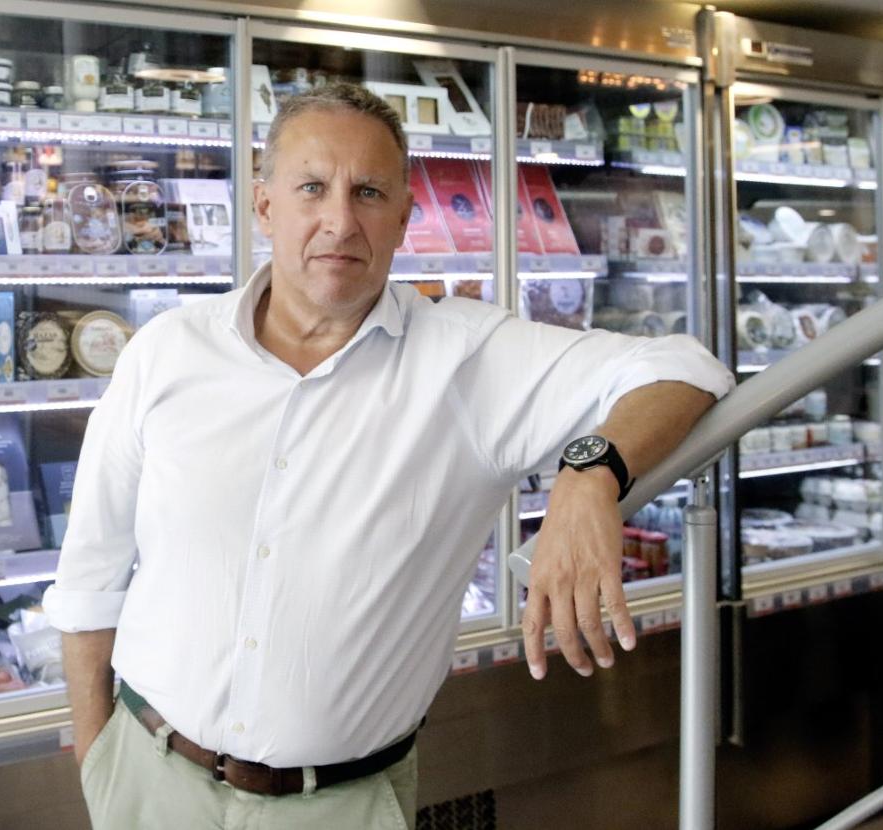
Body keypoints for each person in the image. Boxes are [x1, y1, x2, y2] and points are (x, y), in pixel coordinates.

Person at [43, 83, 734, 830]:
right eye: (312, 187)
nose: (339, 221)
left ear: (404, 217)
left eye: (368, 192)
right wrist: (101, 764)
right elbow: (91, 573)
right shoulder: (168, 352)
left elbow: (687, 368)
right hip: (149, 782)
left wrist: (589, 474)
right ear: (266, 205)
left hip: (339, 805)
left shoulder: (467, 360)